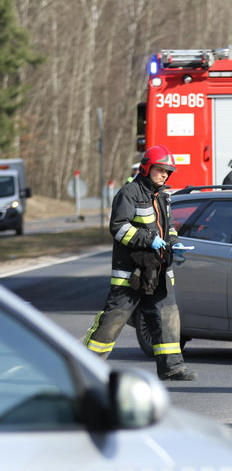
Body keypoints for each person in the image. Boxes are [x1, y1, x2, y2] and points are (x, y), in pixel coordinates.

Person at [83, 145, 196, 381]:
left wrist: (173, 241)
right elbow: (119, 227)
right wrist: (149, 239)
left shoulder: (164, 196)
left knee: (168, 318)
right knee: (112, 322)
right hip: (131, 273)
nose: (165, 174)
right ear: (146, 167)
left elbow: (169, 227)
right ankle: (84, 368)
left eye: (168, 171)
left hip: (159, 270)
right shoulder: (128, 193)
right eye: (161, 169)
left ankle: (172, 367)